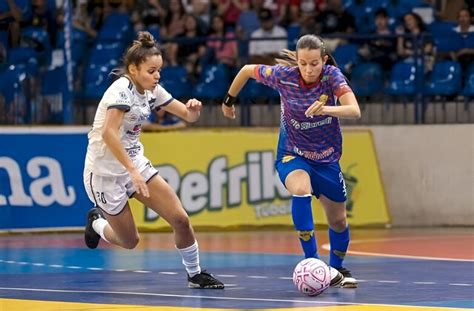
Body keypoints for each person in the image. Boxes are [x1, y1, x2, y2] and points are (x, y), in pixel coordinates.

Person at [83, 31, 224, 289]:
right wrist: (131, 172)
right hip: (104, 173)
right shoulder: (121, 90)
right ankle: (97, 223)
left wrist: (193, 111)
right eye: (151, 70)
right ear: (133, 69)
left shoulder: (152, 90)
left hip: (134, 163)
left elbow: (187, 116)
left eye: (159, 70)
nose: (157, 75)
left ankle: (195, 274)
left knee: (180, 219)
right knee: (130, 241)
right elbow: (108, 133)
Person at [221, 34, 360, 288]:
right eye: (304, 63)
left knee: (338, 221)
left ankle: (337, 268)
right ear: (296, 61)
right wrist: (229, 101)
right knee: (301, 189)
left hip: (327, 160)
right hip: (292, 154)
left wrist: (326, 109)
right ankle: (314, 263)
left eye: (315, 63)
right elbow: (245, 70)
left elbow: (354, 110)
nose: (309, 69)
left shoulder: (332, 77)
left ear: (324, 60)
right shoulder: (283, 76)